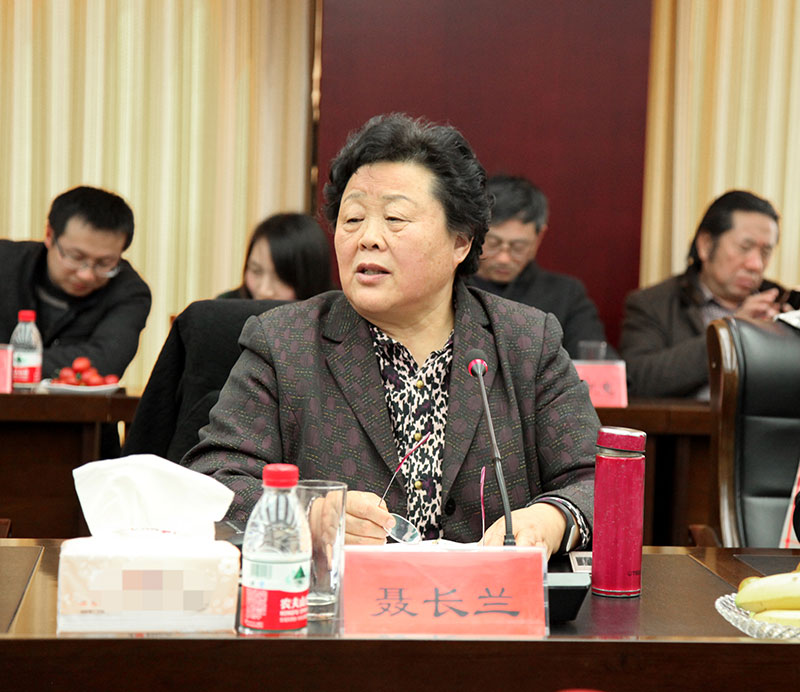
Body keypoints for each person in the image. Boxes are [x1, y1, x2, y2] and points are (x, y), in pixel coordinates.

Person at [183, 113, 599, 557]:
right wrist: (308, 516)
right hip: (340, 596)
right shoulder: (284, 343)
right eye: (352, 219)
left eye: (395, 218)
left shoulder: (525, 341)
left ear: (460, 242)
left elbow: (596, 480)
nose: (368, 238)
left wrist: (551, 520)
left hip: (489, 598)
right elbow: (213, 482)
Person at [620, 190, 787, 398]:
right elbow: (636, 379)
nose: (756, 264)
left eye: (765, 252)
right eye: (745, 247)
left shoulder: (782, 304)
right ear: (706, 245)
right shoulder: (652, 304)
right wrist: (730, 334)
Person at [0, 185, 151, 380]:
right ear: (49, 235)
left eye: (105, 263)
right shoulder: (5, 262)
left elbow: (104, 362)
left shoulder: (130, 292)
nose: (86, 275)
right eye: (76, 256)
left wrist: (7, 362)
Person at [468, 174, 610, 359]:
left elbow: (595, 362)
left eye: (518, 247)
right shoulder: (449, 287)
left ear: (539, 238)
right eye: (493, 243)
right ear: (474, 232)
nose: (504, 258)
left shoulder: (566, 295)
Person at [217, 212, 332, 301]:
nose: (264, 291)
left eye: (281, 277)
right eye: (256, 271)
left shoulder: (333, 315)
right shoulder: (225, 306)